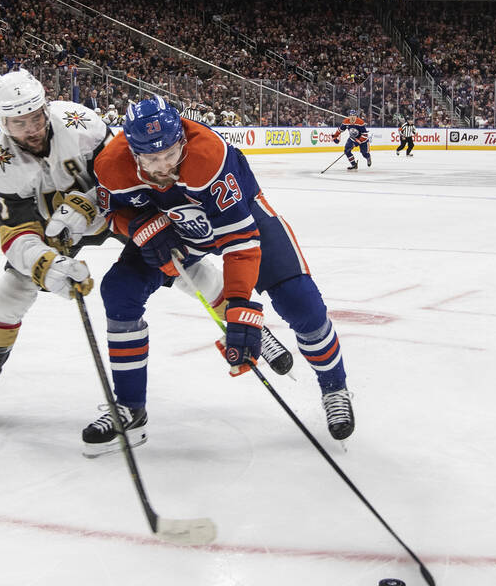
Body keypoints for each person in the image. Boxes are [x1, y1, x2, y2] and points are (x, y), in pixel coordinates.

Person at [86, 96, 354, 457]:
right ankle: (131, 408)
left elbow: (240, 244)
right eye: (151, 159)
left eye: (170, 153)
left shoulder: (207, 155)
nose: (164, 166)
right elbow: (110, 213)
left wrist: (241, 304)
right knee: (119, 291)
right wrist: (137, 224)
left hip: (243, 219)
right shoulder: (111, 165)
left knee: (301, 303)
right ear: (132, 152)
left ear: (182, 136)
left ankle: (334, 388)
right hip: (174, 227)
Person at [0, 68, 110, 425]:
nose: (31, 130)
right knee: (11, 291)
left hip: (108, 211)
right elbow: (16, 234)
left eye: (35, 118)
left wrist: (88, 204)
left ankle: (250, 331)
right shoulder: (1, 167)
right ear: (3, 123)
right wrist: (47, 263)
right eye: (18, 124)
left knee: (169, 254)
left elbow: (123, 178)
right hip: (50, 228)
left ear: (45, 109)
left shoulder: (81, 124)